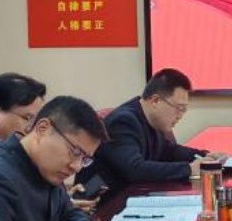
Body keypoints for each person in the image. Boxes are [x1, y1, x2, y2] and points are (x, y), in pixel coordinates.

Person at [88, 67, 224, 190]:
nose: (180, 116)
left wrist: (204, 156)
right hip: (102, 200)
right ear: (155, 101)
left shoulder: (150, 120)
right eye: (179, 108)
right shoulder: (123, 121)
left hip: (130, 194)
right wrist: (189, 169)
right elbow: (135, 169)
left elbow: (169, 151)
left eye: (184, 110)